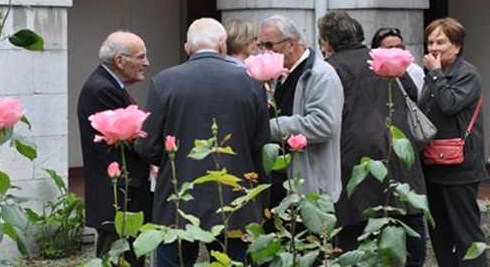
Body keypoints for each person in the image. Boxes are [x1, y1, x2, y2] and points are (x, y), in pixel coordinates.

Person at [135, 18, 270, 266]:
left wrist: (171, 160)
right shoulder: (251, 83)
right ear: (223, 45)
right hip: (235, 197)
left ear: (187, 47)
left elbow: (147, 145)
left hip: (178, 197)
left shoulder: (164, 81)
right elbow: (261, 144)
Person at [318, 11, 426, 267]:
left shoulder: (330, 69)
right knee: (406, 218)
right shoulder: (383, 59)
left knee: (357, 237)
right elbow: (412, 93)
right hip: (399, 152)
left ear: (328, 41)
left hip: (354, 160)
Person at [76, 31, 151, 265]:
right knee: (117, 257)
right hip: (118, 195)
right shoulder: (103, 89)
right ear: (120, 60)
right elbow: (118, 145)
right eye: (141, 57)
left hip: (122, 193)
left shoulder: (108, 84)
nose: (146, 63)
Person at [419, 17, 487, 267]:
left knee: (466, 234)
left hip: (460, 168)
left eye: (441, 42)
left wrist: (436, 74)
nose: (434, 48)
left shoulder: (467, 74)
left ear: (457, 46)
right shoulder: (433, 75)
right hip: (434, 164)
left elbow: (449, 104)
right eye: (430, 42)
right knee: (440, 234)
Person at [260, 15, 344, 202]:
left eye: (269, 45)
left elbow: (323, 124)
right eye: (261, 45)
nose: (264, 52)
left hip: (310, 187)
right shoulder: (279, 73)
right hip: (280, 182)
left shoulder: (320, 75)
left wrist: (271, 126)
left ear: (290, 44)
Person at [371, 26, 426, 95]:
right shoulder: (370, 73)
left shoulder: (414, 71)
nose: (395, 51)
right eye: (390, 48)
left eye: (398, 47)